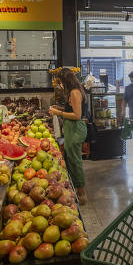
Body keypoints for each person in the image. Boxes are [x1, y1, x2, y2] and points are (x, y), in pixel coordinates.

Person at [48, 68, 88, 204]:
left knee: (75, 161)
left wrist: (58, 113)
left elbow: (77, 115)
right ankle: (76, 190)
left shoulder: (75, 92)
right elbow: (72, 110)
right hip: (71, 128)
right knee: (71, 159)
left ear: (65, 80)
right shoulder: (73, 91)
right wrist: (59, 109)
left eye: (59, 82)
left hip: (76, 129)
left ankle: (82, 195)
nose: (59, 85)